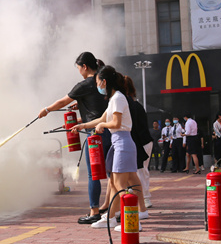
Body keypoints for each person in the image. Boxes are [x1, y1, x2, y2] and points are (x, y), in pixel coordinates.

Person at [38, 52, 110, 224]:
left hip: (95, 134)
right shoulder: (104, 81)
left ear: (84, 66)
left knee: (93, 175)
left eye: (79, 68)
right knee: (114, 174)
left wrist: (46, 110)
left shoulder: (85, 84)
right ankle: (116, 210)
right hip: (111, 131)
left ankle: (94, 211)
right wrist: (82, 105)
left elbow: (63, 102)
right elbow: (99, 107)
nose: (79, 71)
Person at [71, 66, 140, 229]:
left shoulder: (118, 98)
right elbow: (102, 118)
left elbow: (115, 123)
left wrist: (102, 125)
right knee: (115, 184)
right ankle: (110, 218)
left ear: (104, 82)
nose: (97, 86)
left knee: (120, 186)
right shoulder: (114, 98)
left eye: (97, 83)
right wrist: (83, 125)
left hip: (122, 143)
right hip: (118, 143)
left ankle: (132, 221)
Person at [124, 76, 154, 209]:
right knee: (140, 171)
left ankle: (145, 199)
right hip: (142, 141)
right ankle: (142, 197)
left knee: (141, 171)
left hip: (141, 142)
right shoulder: (134, 104)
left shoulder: (132, 105)